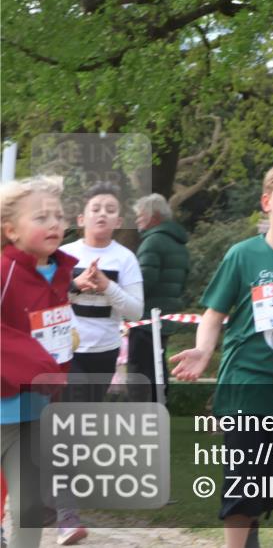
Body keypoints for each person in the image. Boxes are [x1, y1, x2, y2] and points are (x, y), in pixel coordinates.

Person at [170, 148, 273, 548]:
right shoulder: (243, 255)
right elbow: (213, 314)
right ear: (268, 202)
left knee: (272, 485)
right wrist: (203, 350)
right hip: (246, 382)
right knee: (244, 479)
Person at [57, 182, 144, 544]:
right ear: (81, 218)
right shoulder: (63, 254)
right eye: (96, 208)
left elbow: (136, 310)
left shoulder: (125, 258)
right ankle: (66, 516)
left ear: (118, 219)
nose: (102, 213)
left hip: (104, 353)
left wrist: (107, 286)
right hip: (65, 352)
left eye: (110, 208)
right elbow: (44, 297)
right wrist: (76, 283)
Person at [1, 176, 76, 548]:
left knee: (30, 510)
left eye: (59, 216)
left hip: (31, 412)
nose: (54, 224)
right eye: (42, 217)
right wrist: (35, 363)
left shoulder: (60, 272)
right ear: (11, 230)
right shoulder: (3, 271)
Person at [127, 194, 190, 403]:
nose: (137, 221)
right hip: (167, 314)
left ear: (153, 216)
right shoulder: (178, 243)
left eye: (140, 216)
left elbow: (144, 281)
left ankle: (142, 412)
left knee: (141, 368)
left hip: (146, 317)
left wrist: (123, 297)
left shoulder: (152, 242)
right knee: (157, 364)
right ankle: (159, 405)